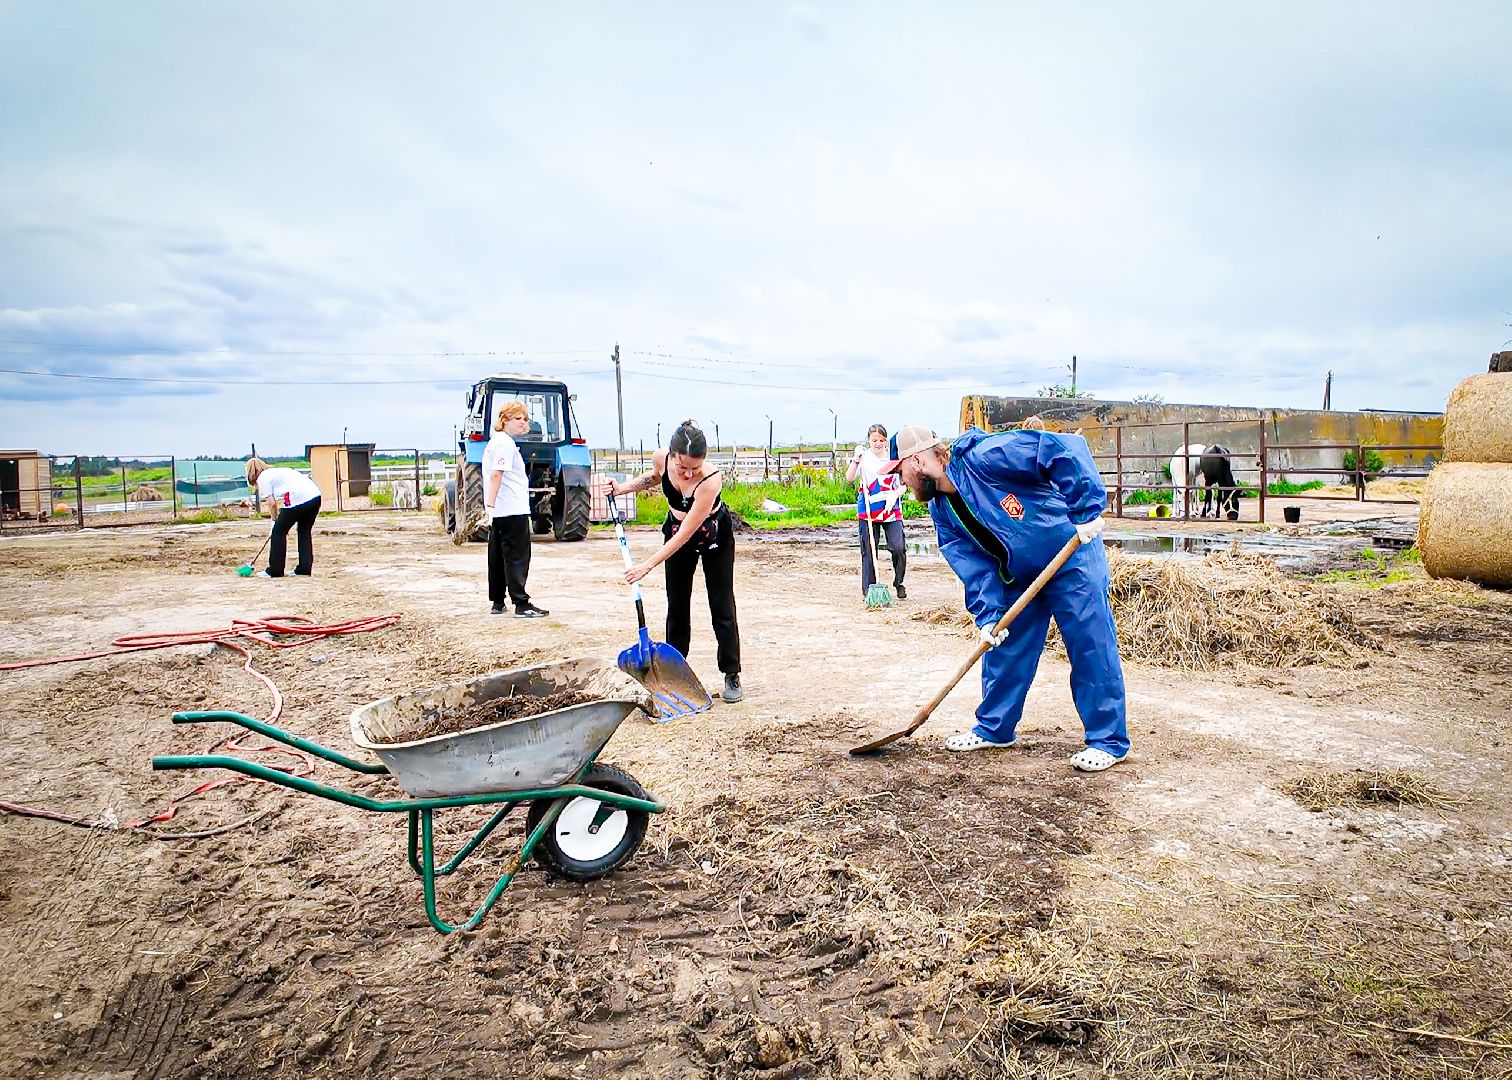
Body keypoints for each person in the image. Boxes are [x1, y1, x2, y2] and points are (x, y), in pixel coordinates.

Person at [878, 424, 1130, 772]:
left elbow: (1060, 448)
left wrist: (1085, 509)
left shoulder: (986, 456)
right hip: (1020, 574)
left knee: (1090, 644)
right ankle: (994, 729)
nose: (901, 482)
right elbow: (973, 565)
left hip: (1072, 555)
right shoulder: (941, 510)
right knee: (1004, 648)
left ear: (918, 460)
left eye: (900, 472)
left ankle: (1108, 740)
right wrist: (988, 616)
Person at [603, 420, 742, 703]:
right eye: (683, 468)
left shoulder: (711, 480)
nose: (689, 473)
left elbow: (685, 534)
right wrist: (622, 489)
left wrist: (647, 565)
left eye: (695, 468)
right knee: (677, 605)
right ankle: (675, 672)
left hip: (712, 536)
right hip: (675, 530)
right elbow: (654, 477)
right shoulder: (661, 459)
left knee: (722, 604)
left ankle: (731, 673)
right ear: (672, 455)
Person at [484, 401, 549, 618]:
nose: (523, 423)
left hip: (502, 511)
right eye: (518, 418)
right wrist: (490, 506)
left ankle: (497, 600)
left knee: (498, 555)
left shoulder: (496, 442)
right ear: (504, 420)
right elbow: (496, 475)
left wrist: (491, 509)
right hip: (512, 508)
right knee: (517, 557)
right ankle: (521, 604)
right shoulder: (505, 444)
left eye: (525, 419)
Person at [844, 424, 907, 599]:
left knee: (898, 547)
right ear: (869, 441)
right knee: (869, 551)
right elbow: (849, 478)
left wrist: (895, 494)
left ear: (886, 441)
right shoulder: (865, 458)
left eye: (881, 440)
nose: (878, 443)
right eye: (874, 440)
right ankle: (869, 590)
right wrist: (856, 460)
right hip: (869, 510)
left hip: (891, 509)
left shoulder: (894, 459)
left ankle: (899, 582)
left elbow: (904, 483)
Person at [245, 457, 322, 578]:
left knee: (278, 532)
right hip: (315, 497)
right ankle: (304, 569)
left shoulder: (263, 478)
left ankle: (275, 570)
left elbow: (272, 503)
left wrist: (273, 522)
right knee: (304, 532)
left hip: (299, 498)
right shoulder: (277, 472)